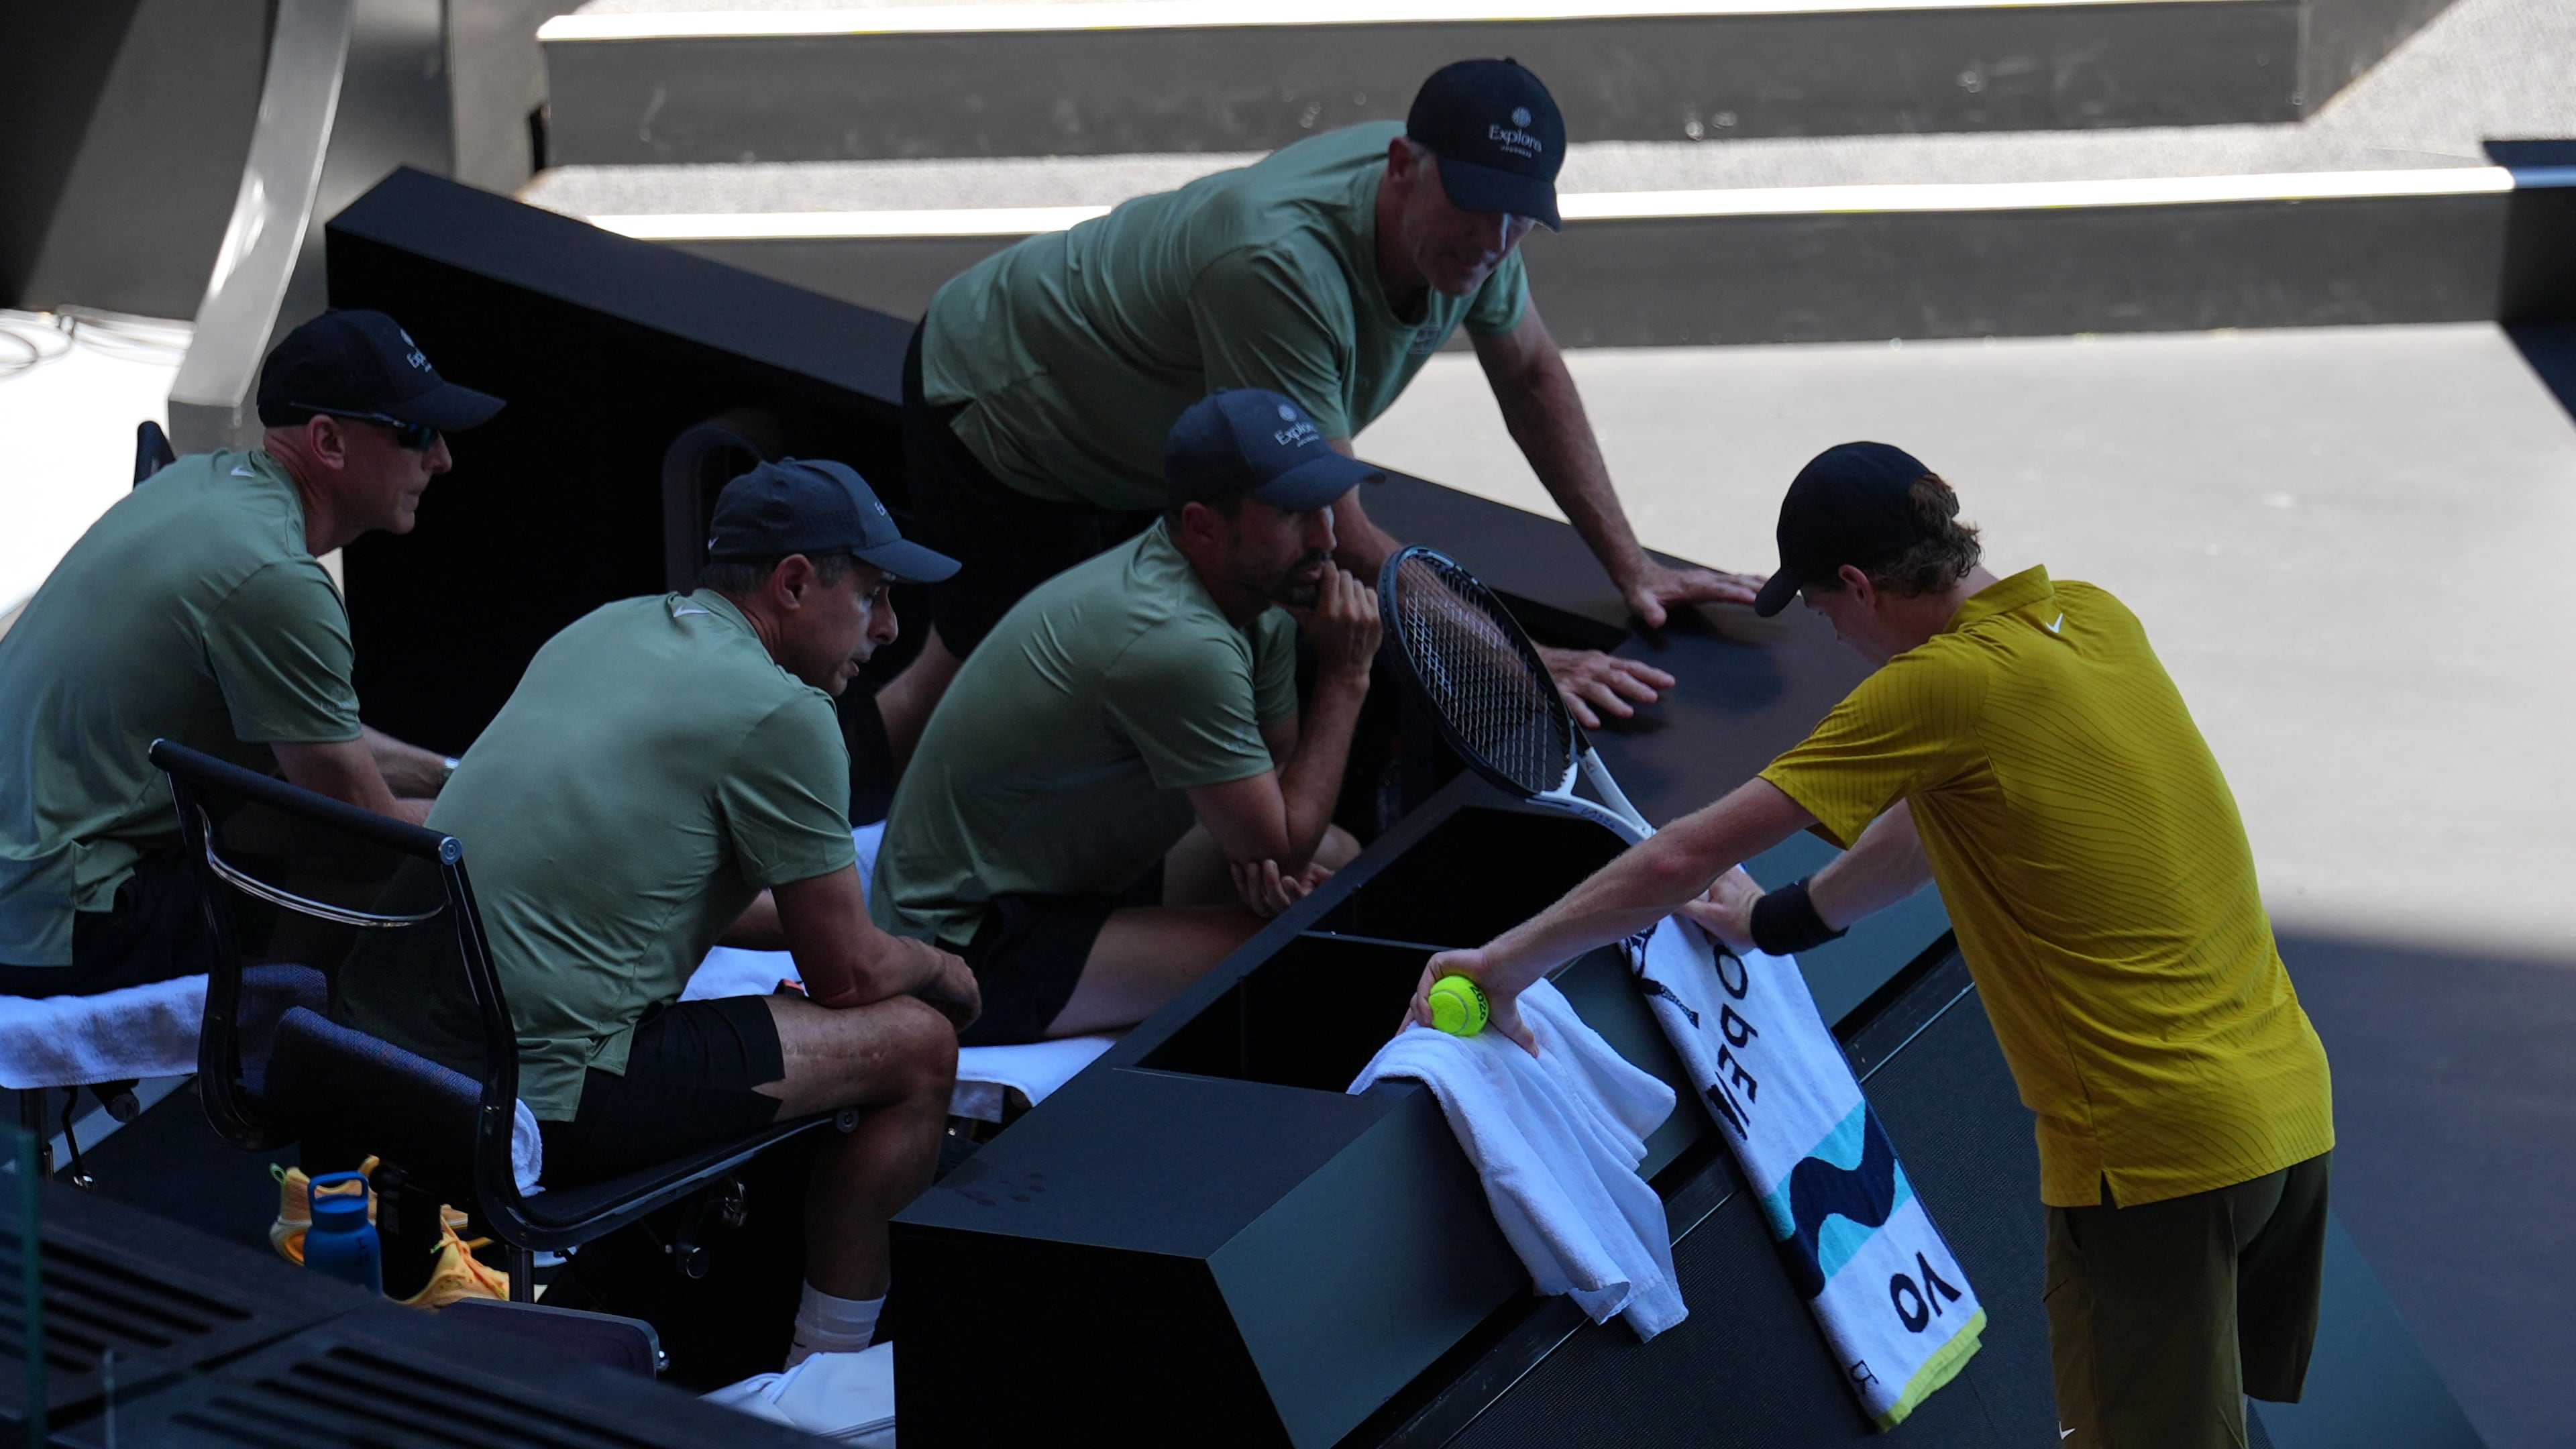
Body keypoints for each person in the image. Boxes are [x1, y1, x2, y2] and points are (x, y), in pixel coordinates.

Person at [1413, 443, 2335, 1449]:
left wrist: (1500, 964)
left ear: (1857, 585)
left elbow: (1678, 860)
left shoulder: (1939, 686)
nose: (1835, 633)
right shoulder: (2092, 614)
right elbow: (1917, 835)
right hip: (2286, 1119)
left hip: (2159, 1155)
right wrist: (1771, 923)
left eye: (1821, 609)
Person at [875, 57, 1760, 767]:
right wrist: (1516, 663)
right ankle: (811, 865)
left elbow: (1528, 370)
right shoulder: (1278, 264)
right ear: (1404, 167)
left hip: (1150, 453)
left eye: (1520, 220)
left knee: (1121, 700)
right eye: (1478, 209)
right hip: (1007, 410)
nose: (1493, 244)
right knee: (962, 684)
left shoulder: (1470, 228)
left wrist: (1631, 563)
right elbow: (1339, 525)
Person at [337, 458, 978, 1354]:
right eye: (872, 593)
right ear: (794, 582)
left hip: (380, 1041)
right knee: (919, 1045)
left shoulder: (609, 627)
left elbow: (656, 883)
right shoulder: (786, 713)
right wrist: (941, 966)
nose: (889, 626)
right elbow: (850, 976)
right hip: (535, 1092)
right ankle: (824, 1371)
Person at [0, 309, 500, 998]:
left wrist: (457, 777)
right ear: (328, 441)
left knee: (303, 813)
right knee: (389, 868)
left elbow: (326, 746)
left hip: (26, 877)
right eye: (415, 434)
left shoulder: (201, 485)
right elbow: (369, 828)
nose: (441, 458)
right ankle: (273, 1066)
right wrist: (508, 818)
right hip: (58, 922)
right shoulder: (276, 580)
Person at [872, 390, 1382, 1044]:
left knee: (1339, 860)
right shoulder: (1176, 640)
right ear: (1200, 526)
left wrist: (1266, 855)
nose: (1327, 538)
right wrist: (1346, 676)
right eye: (1291, 513)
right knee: (1303, 940)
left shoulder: (1260, 594)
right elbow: (1280, 845)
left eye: (1324, 506)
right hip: (960, 941)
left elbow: (1281, 774)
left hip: (1068, 875)